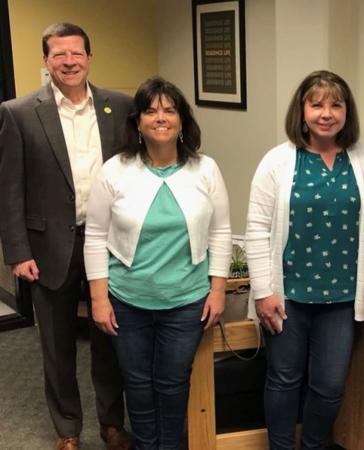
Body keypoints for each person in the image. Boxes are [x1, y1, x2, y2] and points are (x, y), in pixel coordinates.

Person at [245, 70, 364, 450]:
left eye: (336, 104)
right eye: (316, 103)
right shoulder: (278, 161)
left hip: (341, 298)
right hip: (287, 297)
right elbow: (256, 228)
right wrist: (263, 290)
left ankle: (314, 446)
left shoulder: (363, 158)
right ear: (301, 110)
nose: (326, 113)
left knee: (330, 386)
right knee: (284, 380)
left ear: (347, 111)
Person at [0, 23, 133, 450]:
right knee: (57, 348)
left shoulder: (120, 106)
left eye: (76, 53)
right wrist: (17, 251)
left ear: (90, 58)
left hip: (110, 245)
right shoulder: (19, 113)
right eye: (59, 55)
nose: (69, 62)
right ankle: (68, 431)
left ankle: (112, 424)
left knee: (109, 340)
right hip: (48, 247)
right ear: (46, 61)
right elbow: (10, 187)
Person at [83, 76, 232, 449]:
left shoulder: (206, 169)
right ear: (137, 122)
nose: (160, 117)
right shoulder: (115, 170)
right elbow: (96, 237)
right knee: (137, 384)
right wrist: (99, 299)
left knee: (173, 384)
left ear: (182, 120)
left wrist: (218, 290)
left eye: (169, 110)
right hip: (127, 301)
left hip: (186, 302)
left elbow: (220, 233)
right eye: (150, 111)